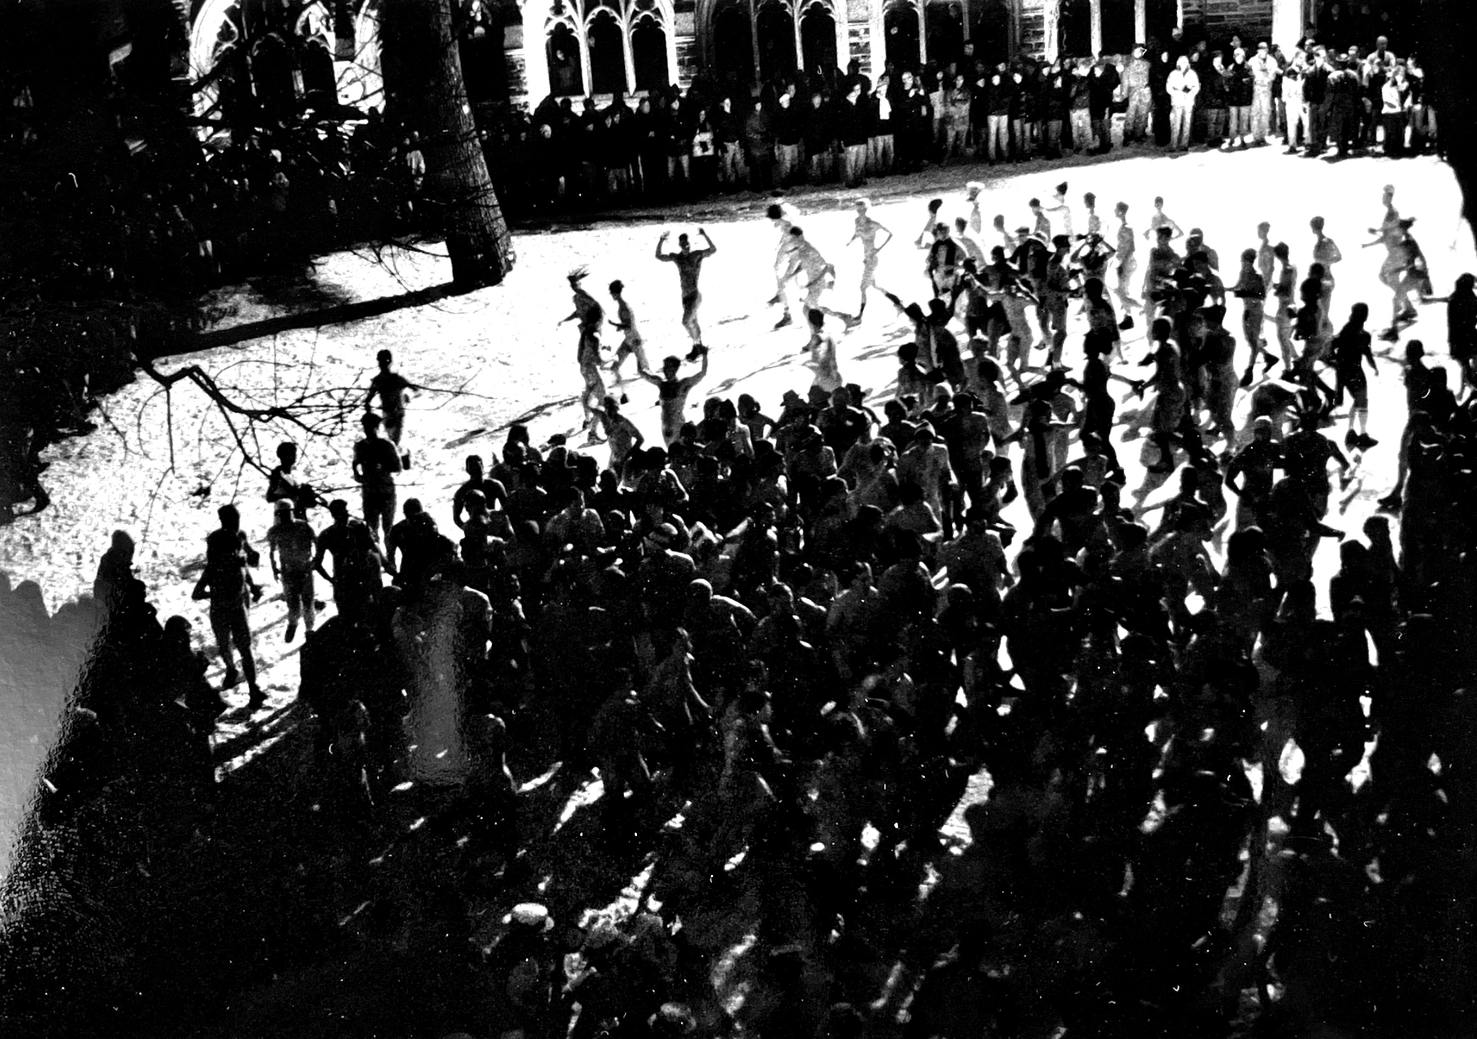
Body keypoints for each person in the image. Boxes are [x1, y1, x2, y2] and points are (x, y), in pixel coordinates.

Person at [193, 503, 265, 707]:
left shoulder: (232, 554)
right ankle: (237, 674)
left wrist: (249, 586)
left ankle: (251, 686)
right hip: (228, 606)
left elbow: (244, 568)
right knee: (232, 646)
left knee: (240, 646)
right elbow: (198, 591)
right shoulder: (217, 552)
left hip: (228, 605)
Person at [562, 267, 608, 441]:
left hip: (584, 366)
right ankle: (593, 431)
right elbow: (599, 359)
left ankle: (588, 420)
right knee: (601, 397)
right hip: (592, 365)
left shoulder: (585, 335)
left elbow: (579, 356)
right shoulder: (593, 333)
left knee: (588, 393)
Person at [654, 228, 717, 347]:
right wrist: (661, 240)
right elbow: (658, 256)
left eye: (687, 243)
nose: (686, 246)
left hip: (694, 295)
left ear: (689, 244)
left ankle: (697, 345)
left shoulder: (696, 255)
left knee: (686, 321)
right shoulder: (677, 258)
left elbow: (713, 249)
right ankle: (698, 346)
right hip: (685, 297)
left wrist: (705, 235)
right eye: (683, 244)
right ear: (680, 245)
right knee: (693, 321)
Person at [1329, 302, 1379, 450]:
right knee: (1362, 400)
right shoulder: (1363, 335)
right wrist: (1374, 367)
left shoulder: (1346, 329)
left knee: (1357, 400)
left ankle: (1351, 432)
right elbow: (1368, 354)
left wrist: (1334, 360)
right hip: (1355, 370)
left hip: (1343, 370)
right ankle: (1361, 434)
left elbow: (1332, 345)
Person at [266, 497, 317, 642]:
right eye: (282, 514)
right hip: (288, 572)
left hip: (305, 569)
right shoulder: (275, 531)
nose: (285, 516)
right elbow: (272, 551)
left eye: (287, 513)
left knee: (308, 602)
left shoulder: (304, 526)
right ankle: (293, 623)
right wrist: (274, 568)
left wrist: (316, 561)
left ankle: (309, 630)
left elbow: (316, 541)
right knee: (293, 604)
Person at [640, 351, 710, 446]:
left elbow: (702, 373)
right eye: (665, 367)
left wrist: (705, 355)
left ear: (675, 369)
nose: (665, 370)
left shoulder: (682, 385)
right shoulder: (661, 384)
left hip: (677, 426)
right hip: (665, 426)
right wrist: (637, 354)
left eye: (668, 368)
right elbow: (642, 373)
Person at [352, 412, 401, 545]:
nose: (368, 429)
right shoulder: (360, 446)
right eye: (365, 426)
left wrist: (383, 467)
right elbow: (355, 465)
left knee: (388, 530)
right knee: (371, 530)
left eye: (371, 426)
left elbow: (397, 467)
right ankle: (377, 559)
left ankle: (390, 561)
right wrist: (359, 476)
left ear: (377, 427)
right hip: (369, 492)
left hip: (386, 491)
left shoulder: (386, 445)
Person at [847, 198, 893, 319]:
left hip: (872, 258)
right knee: (875, 285)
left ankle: (860, 315)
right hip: (866, 257)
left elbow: (890, 234)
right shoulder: (856, 221)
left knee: (862, 288)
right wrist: (850, 241)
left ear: (866, 209)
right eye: (858, 209)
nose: (860, 211)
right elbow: (857, 233)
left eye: (862, 208)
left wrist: (878, 248)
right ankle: (897, 302)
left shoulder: (873, 224)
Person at [365, 349, 418, 450]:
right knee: (392, 443)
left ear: (389, 362)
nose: (382, 364)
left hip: (398, 414)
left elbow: (416, 390)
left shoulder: (396, 379)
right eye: (381, 361)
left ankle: (402, 456)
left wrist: (407, 396)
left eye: (385, 361)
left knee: (394, 443)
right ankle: (402, 456)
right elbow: (368, 400)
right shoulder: (378, 380)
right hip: (387, 414)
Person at [608, 279, 648, 380]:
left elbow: (628, 325)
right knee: (615, 367)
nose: (611, 295)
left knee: (644, 371)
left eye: (611, 293)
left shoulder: (623, 307)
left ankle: (621, 385)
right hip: (630, 339)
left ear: (615, 293)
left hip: (634, 340)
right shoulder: (623, 306)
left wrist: (614, 324)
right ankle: (620, 383)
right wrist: (620, 326)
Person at [1166, 55, 1200, 152]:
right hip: (1177, 101)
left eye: (1185, 62)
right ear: (1178, 64)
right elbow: (1168, 87)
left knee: (1187, 123)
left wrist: (1191, 93)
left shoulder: (1192, 74)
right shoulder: (1173, 74)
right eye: (1181, 62)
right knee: (1175, 123)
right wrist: (1176, 93)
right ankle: (1173, 144)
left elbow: (1196, 86)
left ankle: (1184, 144)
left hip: (1188, 102)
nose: (1183, 64)